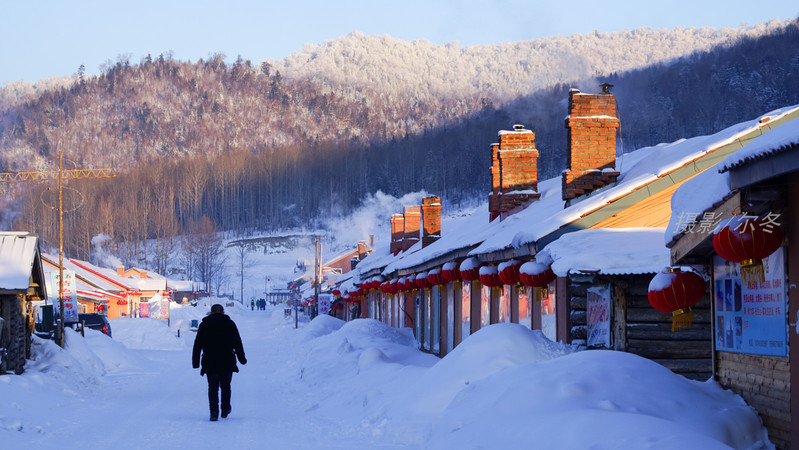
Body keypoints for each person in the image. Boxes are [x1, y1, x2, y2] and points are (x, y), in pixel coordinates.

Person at [192, 304, 247, 421]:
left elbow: (197, 344)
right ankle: (225, 409)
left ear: (211, 312)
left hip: (209, 360)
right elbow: (237, 342)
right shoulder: (230, 324)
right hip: (227, 360)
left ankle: (213, 412)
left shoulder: (204, 325)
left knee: (212, 387)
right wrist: (242, 359)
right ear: (223, 312)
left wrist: (195, 362)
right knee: (226, 386)